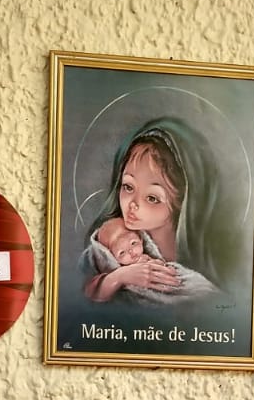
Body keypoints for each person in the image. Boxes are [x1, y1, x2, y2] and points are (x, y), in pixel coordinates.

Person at [80, 116, 242, 304]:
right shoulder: (108, 242)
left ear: (182, 201)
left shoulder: (207, 263)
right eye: (128, 187)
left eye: (152, 198)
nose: (133, 204)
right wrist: (120, 277)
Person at [85, 216, 218, 304]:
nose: (131, 252)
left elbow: (162, 266)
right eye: (122, 252)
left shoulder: (147, 257)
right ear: (111, 257)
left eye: (133, 243)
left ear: (141, 239)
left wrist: (161, 266)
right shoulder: (118, 272)